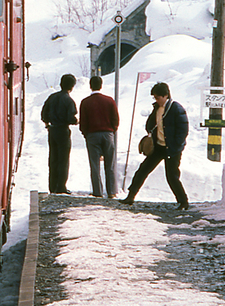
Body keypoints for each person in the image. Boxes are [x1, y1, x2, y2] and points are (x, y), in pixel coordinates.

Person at [120, 82, 189, 210]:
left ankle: (183, 201)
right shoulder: (157, 108)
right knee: (142, 170)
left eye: (158, 97)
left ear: (166, 96)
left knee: (171, 176)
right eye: (155, 98)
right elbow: (150, 123)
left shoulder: (176, 109)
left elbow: (183, 130)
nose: (156, 100)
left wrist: (176, 146)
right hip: (158, 147)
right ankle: (130, 196)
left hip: (172, 149)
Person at [79, 75, 119, 198]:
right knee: (110, 164)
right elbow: (116, 120)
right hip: (108, 134)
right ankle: (111, 192)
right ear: (101, 86)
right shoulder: (110, 100)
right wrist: (112, 131)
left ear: (90, 86)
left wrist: (86, 134)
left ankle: (97, 192)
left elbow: (83, 123)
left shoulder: (85, 102)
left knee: (94, 165)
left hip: (92, 135)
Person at [41, 74, 78, 194]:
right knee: (63, 159)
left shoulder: (52, 97)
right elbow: (70, 118)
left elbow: (44, 114)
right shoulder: (68, 100)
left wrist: (47, 124)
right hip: (63, 131)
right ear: (72, 86)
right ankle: (61, 186)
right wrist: (76, 121)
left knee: (53, 158)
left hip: (52, 130)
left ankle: (52, 186)